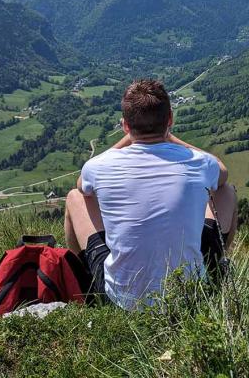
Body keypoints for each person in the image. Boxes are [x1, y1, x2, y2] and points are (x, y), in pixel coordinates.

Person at [64, 78, 238, 310]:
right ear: (170, 120)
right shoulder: (199, 163)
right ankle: (218, 265)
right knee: (226, 191)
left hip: (123, 300)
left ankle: (82, 277)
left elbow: (81, 185)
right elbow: (222, 173)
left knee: (75, 197)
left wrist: (129, 138)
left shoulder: (98, 167)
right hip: (191, 292)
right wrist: (169, 137)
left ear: (125, 125)